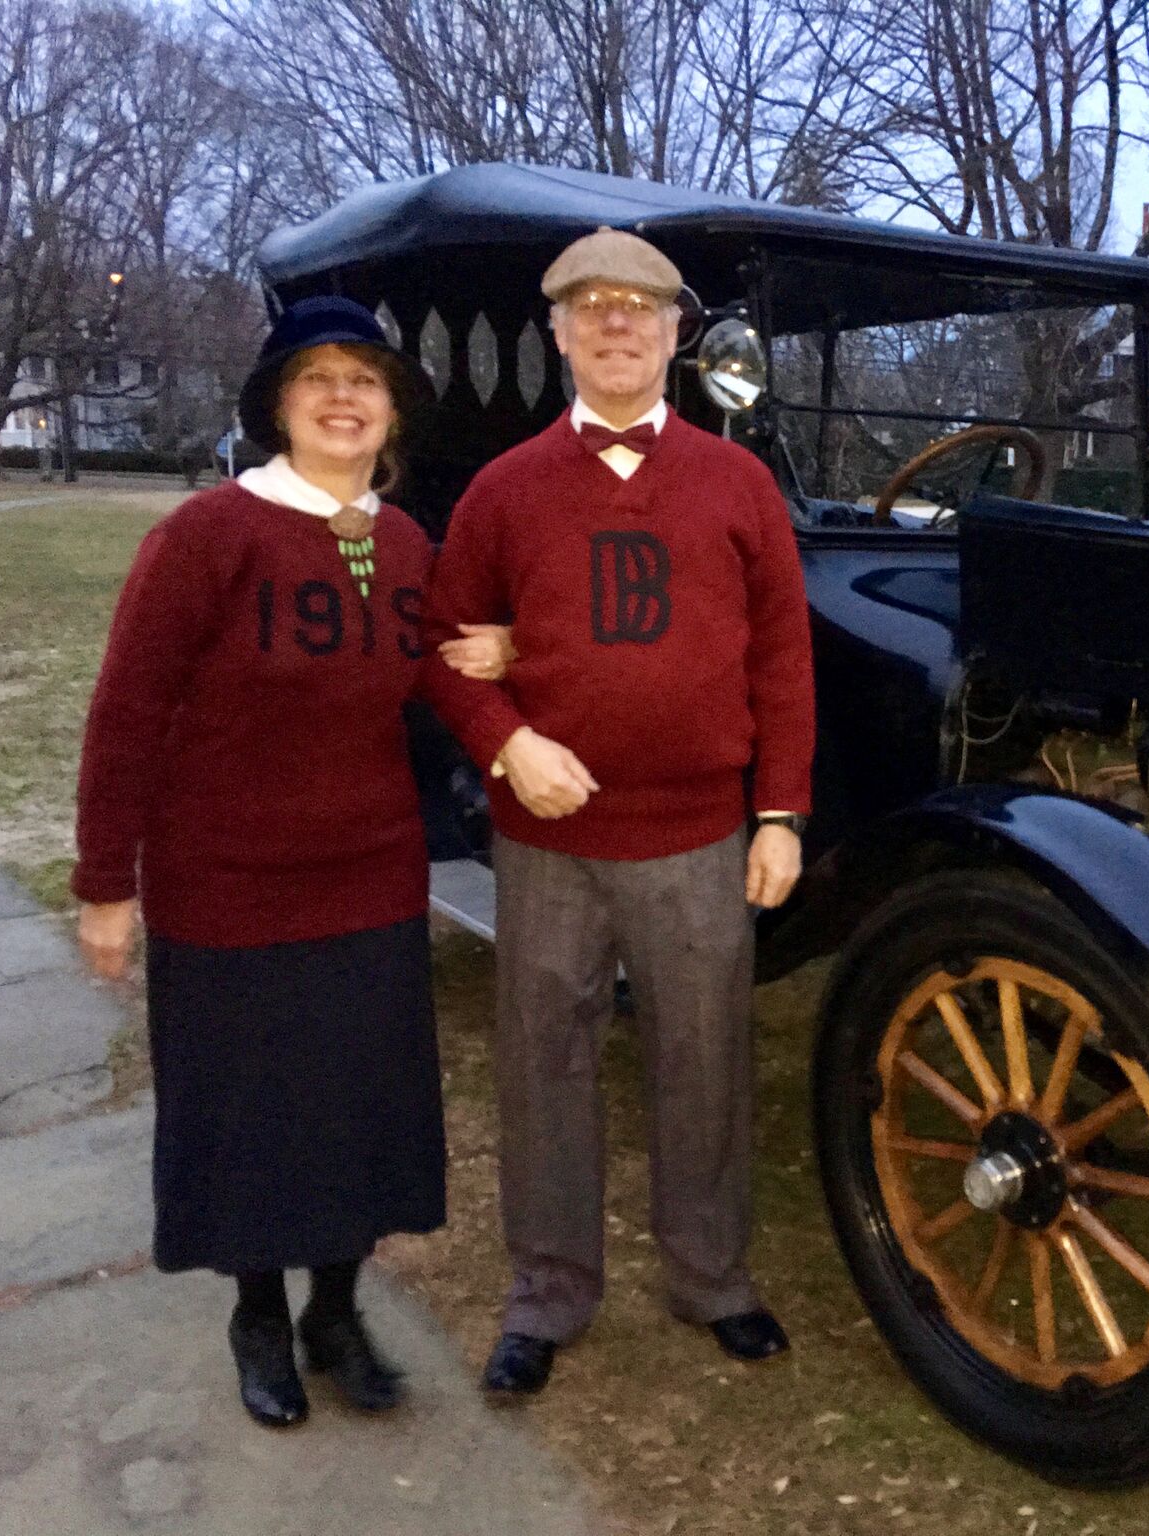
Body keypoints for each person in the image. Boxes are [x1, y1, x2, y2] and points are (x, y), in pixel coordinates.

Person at [72, 297, 510, 1429]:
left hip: (365, 877)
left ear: (389, 410)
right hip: (225, 882)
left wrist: (519, 671)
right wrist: (104, 886)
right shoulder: (208, 536)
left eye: (363, 377)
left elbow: (441, 673)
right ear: (277, 406)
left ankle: (336, 1312)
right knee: (252, 1116)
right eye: (314, 377)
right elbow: (125, 714)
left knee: (357, 1108)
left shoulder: (404, 542)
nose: (340, 396)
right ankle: (258, 1317)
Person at [421, 229, 815, 1396]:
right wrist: (507, 742)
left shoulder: (737, 483)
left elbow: (784, 660)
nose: (615, 326)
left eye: (639, 308)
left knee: (704, 1060)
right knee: (547, 1064)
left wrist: (780, 814)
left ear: (674, 334)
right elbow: (445, 653)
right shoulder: (505, 488)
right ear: (557, 332)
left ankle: (709, 1277)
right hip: (547, 843)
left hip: (698, 838)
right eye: (589, 308)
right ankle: (547, 1290)